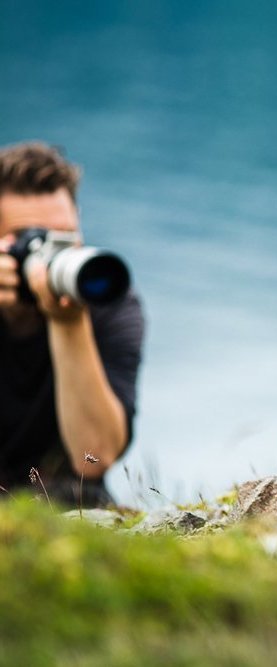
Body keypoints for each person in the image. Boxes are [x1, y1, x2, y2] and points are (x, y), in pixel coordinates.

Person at [0, 142, 144, 506]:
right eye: (30, 240)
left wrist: (68, 320)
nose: (51, 256)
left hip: (71, 507)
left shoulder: (108, 298)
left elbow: (93, 457)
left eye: (63, 237)